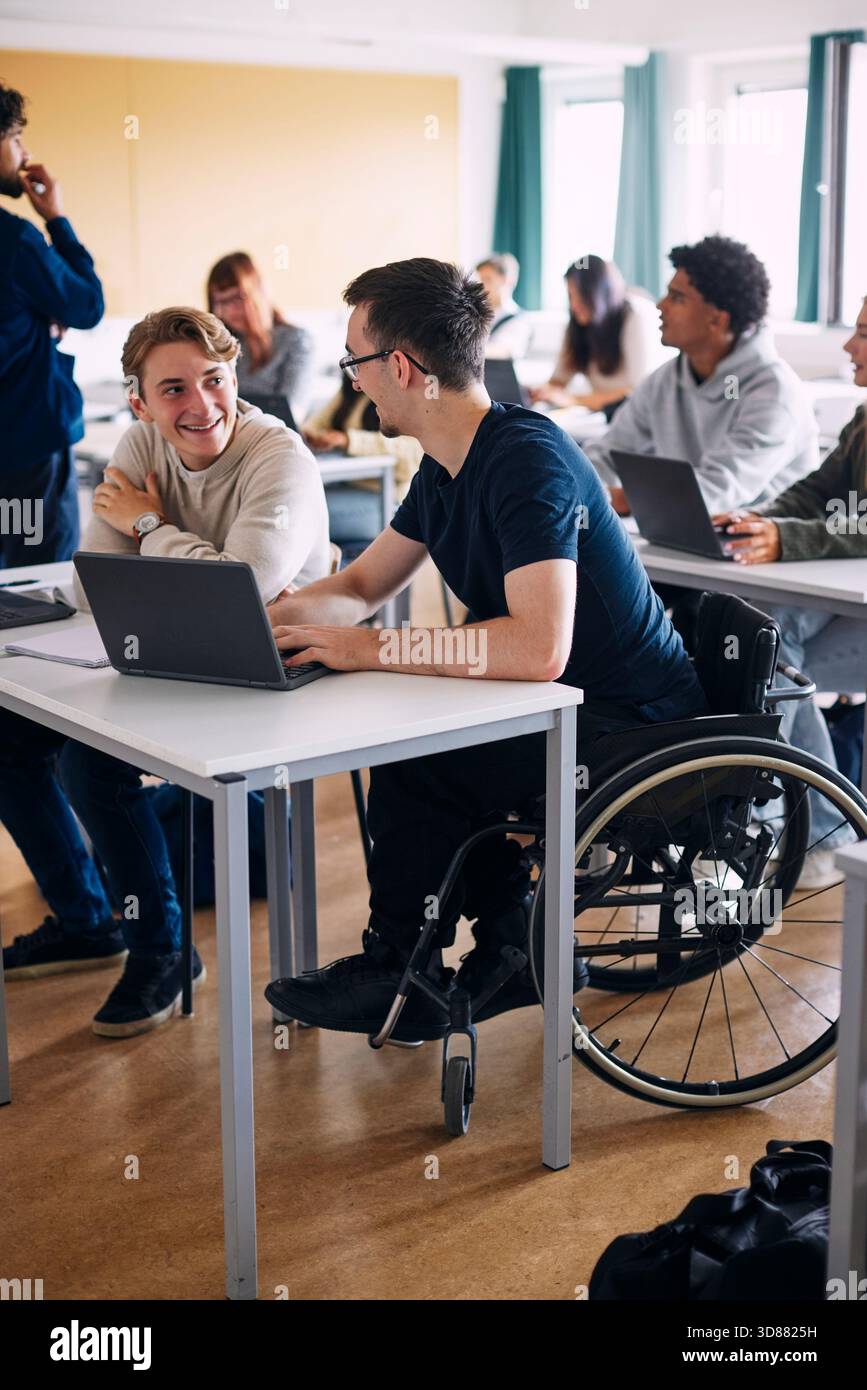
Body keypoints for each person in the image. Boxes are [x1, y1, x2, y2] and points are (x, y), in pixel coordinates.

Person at [263, 257, 708, 1040]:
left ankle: (411, 962)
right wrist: (269, 619)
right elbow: (364, 585)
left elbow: (538, 647)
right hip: (558, 702)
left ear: (400, 367)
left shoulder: (521, 459)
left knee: (423, 756)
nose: (354, 382)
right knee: (422, 751)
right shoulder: (445, 462)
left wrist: (362, 652)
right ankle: (497, 948)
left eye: (355, 364)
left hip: (629, 722)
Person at [1, 307, 330, 1037]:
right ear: (140, 402)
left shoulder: (279, 458)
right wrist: (185, 565)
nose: (201, 404)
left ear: (235, 378)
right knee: (8, 735)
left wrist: (149, 526)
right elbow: (95, 585)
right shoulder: (140, 443)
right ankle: (90, 918)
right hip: (174, 646)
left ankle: (162, 949)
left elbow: (242, 595)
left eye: (214, 381)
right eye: (173, 389)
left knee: (92, 764)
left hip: (283, 668)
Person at [712, 295, 867, 888]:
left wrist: (788, 538)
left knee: (770, 660)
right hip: (846, 604)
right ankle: (798, 818)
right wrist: (758, 520)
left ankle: (824, 826)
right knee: (761, 645)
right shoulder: (862, 417)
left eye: (862, 334)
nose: (849, 347)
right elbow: (813, 494)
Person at [583, 237, 819, 516]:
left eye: (677, 298)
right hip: (687, 542)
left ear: (717, 320)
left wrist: (624, 499)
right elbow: (607, 455)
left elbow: (717, 491)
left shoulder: (775, 393)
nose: (661, 305)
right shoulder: (665, 380)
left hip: (764, 550)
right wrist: (580, 488)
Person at [0, 80, 103, 563]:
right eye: (16, 137)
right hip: (28, 449)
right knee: (39, 585)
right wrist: (55, 217)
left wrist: (35, 318)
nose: (24, 151)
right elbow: (86, 307)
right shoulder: (16, 241)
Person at [303, 373, 423, 558]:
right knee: (294, 500)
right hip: (344, 485)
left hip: (383, 498)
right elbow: (314, 425)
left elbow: (411, 456)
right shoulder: (353, 388)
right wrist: (314, 436)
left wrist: (348, 440)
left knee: (299, 513)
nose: (353, 367)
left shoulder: (404, 395)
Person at [528, 255, 662, 415]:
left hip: (633, 415)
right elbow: (559, 380)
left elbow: (636, 391)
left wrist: (573, 400)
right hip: (601, 416)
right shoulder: (577, 325)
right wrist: (543, 393)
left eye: (581, 295)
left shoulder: (634, 315)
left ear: (601, 293)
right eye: (571, 296)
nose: (574, 305)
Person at [206, 250, 314, 414]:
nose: (229, 310)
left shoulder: (295, 340)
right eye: (221, 301)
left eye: (237, 298)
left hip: (275, 436)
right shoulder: (218, 345)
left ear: (258, 292)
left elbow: (292, 413)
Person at [475, 253, 532, 361]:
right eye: (480, 280)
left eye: (487, 279)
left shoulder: (519, 319)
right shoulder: (475, 314)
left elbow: (504, 350)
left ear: (506, 280)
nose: (481, 286)